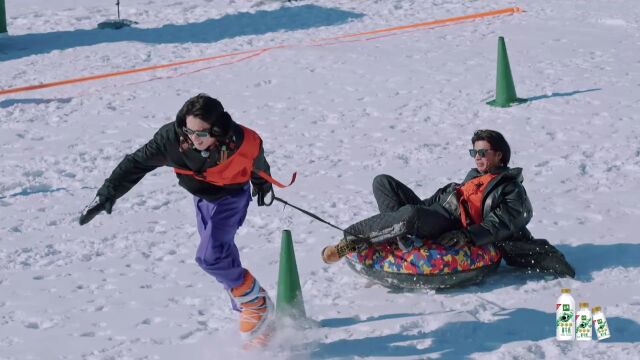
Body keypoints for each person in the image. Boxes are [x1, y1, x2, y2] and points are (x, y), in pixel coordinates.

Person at [79, 94, 279, 341]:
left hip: (231, 197)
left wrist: (262, 184)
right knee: (221, 253)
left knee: (211, 257)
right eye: (189, 131)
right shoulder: (171, 140)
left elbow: (257, 162)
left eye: (202, 133)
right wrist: (107, 193)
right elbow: (136, 163)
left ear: (218, 129)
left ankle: (255, 302)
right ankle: (259, 320)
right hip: (202, 197)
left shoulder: (242, 141)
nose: (194, 139)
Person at [322, 129, 575, 278]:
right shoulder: (474, 176)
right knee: (383, 182)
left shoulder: (511, 190)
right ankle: (399, 234)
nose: (477, 157)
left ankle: (351, 240)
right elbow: (447, 199)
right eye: (474, 152)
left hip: (450, 225)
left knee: (410, 214)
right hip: (436, 211)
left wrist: (466, 236)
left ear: (499, 154)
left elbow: (501, 224)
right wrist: (420, 209)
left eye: (482, 152)